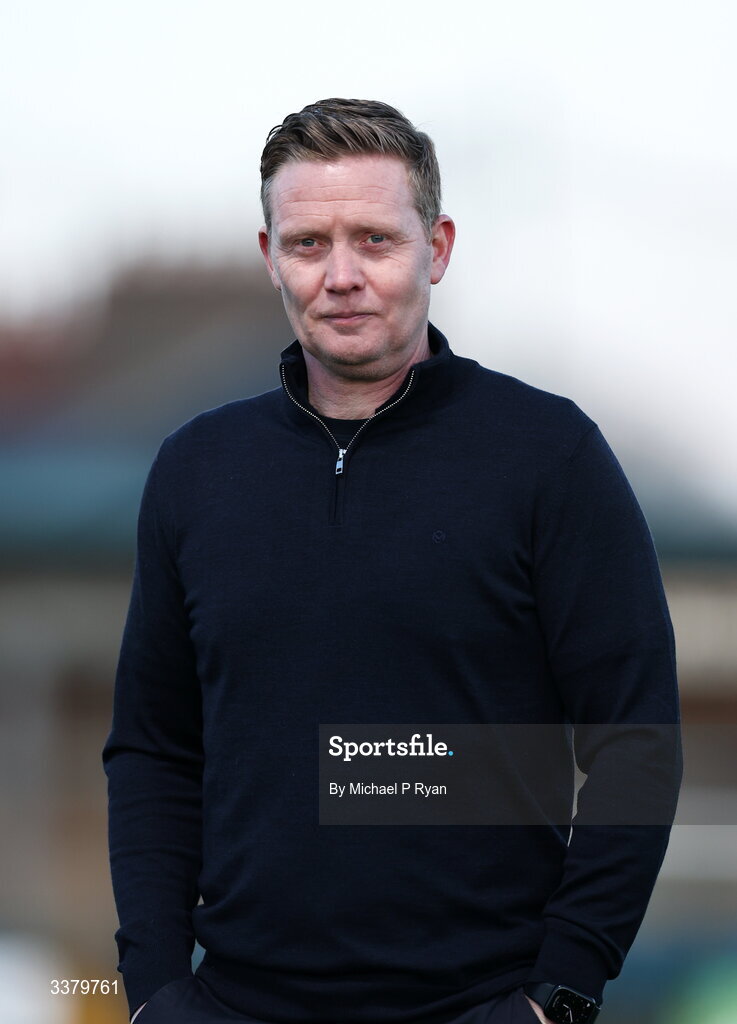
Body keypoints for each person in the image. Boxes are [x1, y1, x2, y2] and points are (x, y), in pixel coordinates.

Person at [103, 98, 683, 1024]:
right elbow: (154, 752)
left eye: (374, 239)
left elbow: (634, 742)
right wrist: (155, 992)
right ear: (269, 257)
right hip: (233, 1004)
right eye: (307, 244)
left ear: (437, 247)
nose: (340, 276)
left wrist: (561, 991)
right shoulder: (195, 470)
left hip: (482, 1006)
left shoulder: (548, 456)